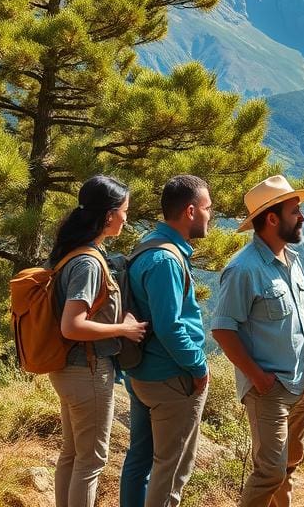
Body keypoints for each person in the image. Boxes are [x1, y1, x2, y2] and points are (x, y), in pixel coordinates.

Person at [212, 175, 304, 507]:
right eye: (295, 211)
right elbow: (222, 329)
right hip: (270, 390)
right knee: (269, 472)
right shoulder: (243, 269)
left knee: (287, 469)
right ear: (272, 218)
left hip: (303, 383)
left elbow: (302, 316)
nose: (302, 217)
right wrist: (256, 376)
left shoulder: (292, 259)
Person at [48, 175, 148, 507]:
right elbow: (72, 325)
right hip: (87, 371)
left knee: (72, 454)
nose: (126, 218)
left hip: (67, 369)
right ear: (108, 215)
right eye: (124, 211)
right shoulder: (89, 262)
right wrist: (123, 329)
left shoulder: (71, 253)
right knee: (91, 462)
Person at [120, 175, 212, 507]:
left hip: (142, 372)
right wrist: (199, 367)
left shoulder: (149, 243)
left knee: (139, 462)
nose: (209, 215)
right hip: (171, 379)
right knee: (171, 470)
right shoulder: (166, 260)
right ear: (190, 211)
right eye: (207, 208)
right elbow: (171, 327)